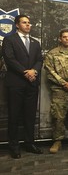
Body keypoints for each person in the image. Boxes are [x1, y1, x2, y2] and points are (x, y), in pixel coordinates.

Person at [2, 14, 43, 159]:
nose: (28, 25)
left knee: (30, 116)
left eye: (29, 22)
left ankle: (29, 143)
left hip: (32, 84)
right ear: (17, 25)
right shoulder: (9, 40)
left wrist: (34, 71)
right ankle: (14, 146)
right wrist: (25, 72)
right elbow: (10, 59)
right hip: (16, 83)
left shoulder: (35, 42)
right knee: (14, 115)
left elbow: (39, 59)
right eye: (24, 23)